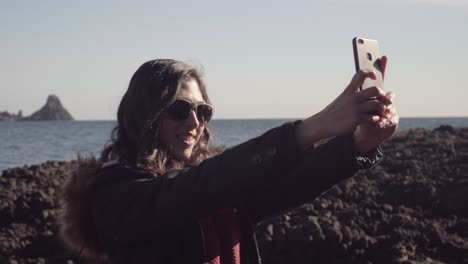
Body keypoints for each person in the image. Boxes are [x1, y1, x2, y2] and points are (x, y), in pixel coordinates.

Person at [57, 58, 399, 264]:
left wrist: (356, 144)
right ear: (145, 113)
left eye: (202, 111)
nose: (195, 123)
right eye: (179, 109)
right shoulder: (117, 195)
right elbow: (196, 189)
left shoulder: (211, 190)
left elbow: (288, 187)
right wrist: (316, 126)